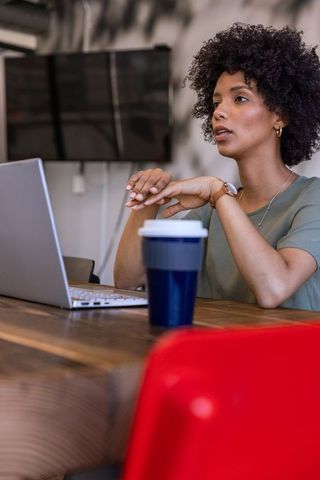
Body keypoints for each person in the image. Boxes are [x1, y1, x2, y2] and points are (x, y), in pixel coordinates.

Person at [114, 23, 320, 310]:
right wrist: (149, 199)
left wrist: (218, 192)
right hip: (217, 350)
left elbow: (274, 288)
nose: (219, 112)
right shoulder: (214, 209)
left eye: (240, 98)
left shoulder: (312, 198)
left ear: (280, 116)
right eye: (216, 102)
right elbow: (127, 281)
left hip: (290, 355)